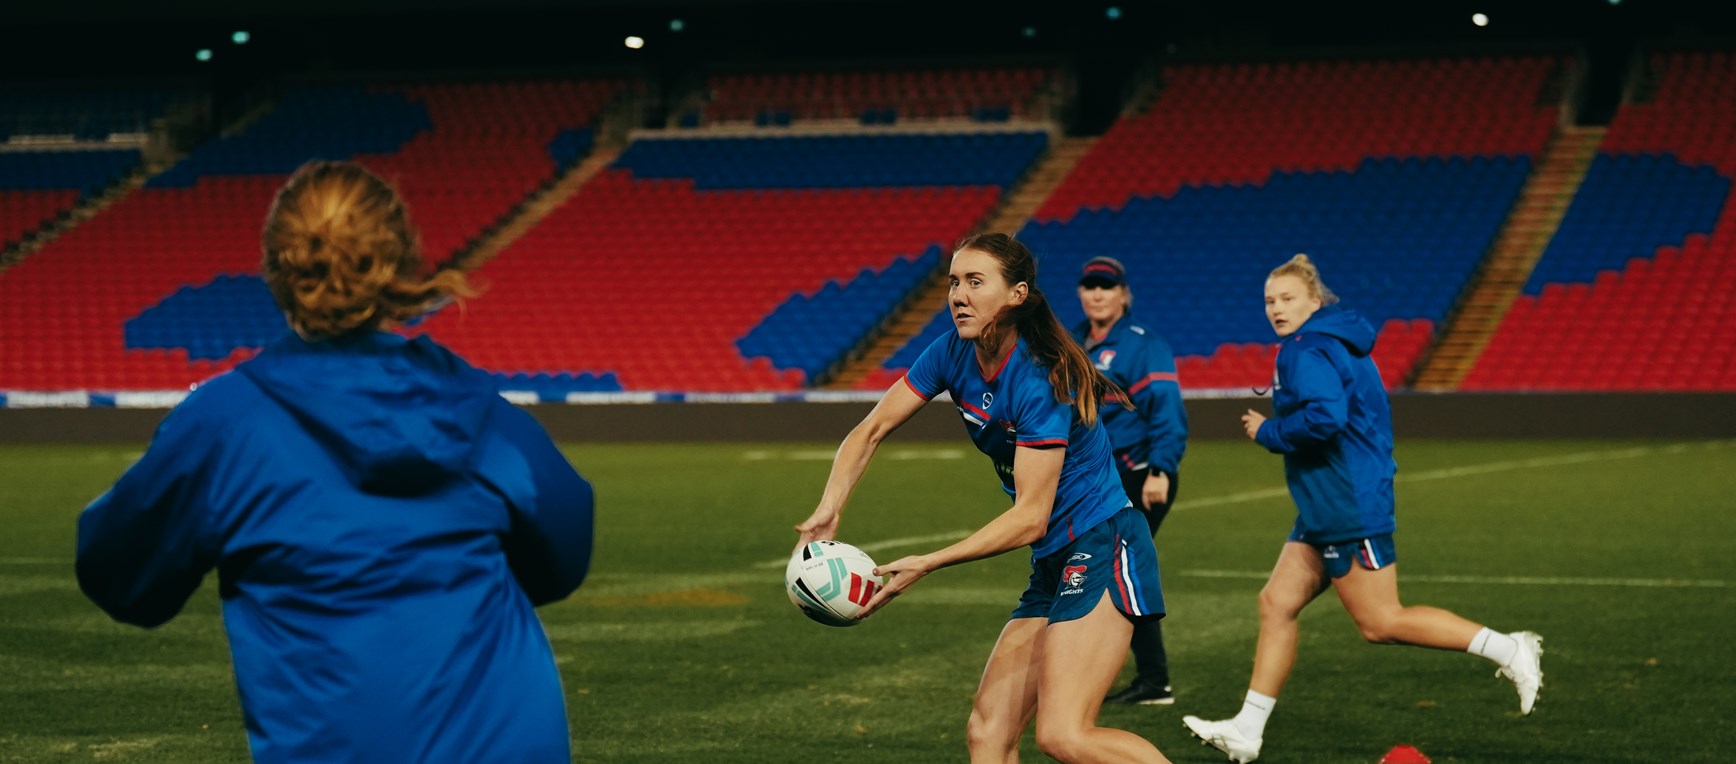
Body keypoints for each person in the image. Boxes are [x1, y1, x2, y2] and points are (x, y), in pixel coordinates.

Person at [76, 160, 595, 763]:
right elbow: (563, 557)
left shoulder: (224, 424)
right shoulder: (477, 409)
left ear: (277, 270)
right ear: (398, 261)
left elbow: (121, 576)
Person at [795, 232, 1174, 763]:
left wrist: (929, 561)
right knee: (988, 735)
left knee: (1064, 735)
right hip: (1053, 562)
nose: (958, 295)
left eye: (976, 282)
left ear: (1017, 294)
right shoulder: (952, 351)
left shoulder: (1040, 377)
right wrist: (831, 504)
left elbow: (1029, 518)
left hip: (1103, 544)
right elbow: (871, 428)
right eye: (954, 282)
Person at [1180, 254, 1542, 763]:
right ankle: (1247, 728)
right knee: (1277, 603)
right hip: (1332, 498)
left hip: (1346, 502)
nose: (1277, 309)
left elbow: (1325, 418)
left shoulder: (1306, 349)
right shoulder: (1335, 341)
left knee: (1380, 621)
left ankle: (1510, 648)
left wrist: (1270, 432)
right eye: (1269, 301)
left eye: (1287, 299)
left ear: (1314, 300)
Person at [1070, 256, 1189, 706]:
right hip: (1097, 478)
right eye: (1090, 286)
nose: (1097, 293)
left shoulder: (1144, 344)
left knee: (1115, 572)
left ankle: (1148, 679)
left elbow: (1167, 408)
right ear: (1081, 293)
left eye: (1106, 286)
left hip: (1140, 473)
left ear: (1123, 294)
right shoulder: (1073, 342)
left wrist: (1161, 468)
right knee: (1109, 572)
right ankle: (1149, 680)